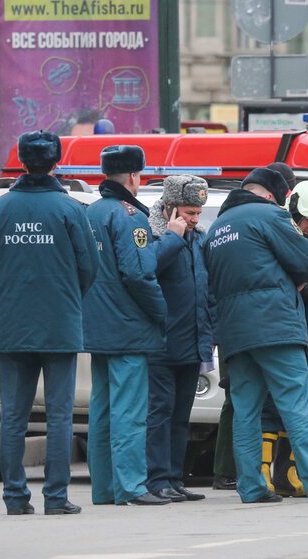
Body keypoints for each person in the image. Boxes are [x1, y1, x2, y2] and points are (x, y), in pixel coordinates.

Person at [203, 167, 308, 504]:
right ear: (274, 195)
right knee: (296, 403)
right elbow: (303, 258)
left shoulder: (215, 228)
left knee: (246, 411)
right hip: (275, 326)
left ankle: (252, 486)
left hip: (234, 332)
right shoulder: (271, 215)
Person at [0, 131, 98, 516]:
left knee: (13, 416)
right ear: (55, 164)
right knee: (60, 415)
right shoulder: (68, 209)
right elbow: (88, 268)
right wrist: (66, 297)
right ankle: (56, 496)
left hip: (13, 324)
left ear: (21, 162)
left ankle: (15, 497)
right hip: (60, 323)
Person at [84, 145, 180, 506]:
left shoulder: (90, 212)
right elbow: (139, 273)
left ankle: (105, 489)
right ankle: (132, 486)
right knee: (130, 412)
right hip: (129, 329)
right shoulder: (129, 216)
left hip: (97, 328)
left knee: (103, 411)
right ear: (133, 177)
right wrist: (160, 312)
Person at [260, 180, 308, 498]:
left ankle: (290, 474)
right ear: (294, 212)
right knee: (271, 408)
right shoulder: (279, 236)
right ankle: (262, 472)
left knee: (307, 407)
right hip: (283, 331)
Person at [145, 175, 214, 503]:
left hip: (191, 342)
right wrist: (172, 237)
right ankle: (156, 478)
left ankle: (174, 477)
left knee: (180, 415)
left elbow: (205, 289)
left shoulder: (198, 239)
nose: (194, 219)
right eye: (189, 212)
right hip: (161, 343)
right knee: (160, 412)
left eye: (198, 213)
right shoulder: (152, 234)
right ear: (171, 208)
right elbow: (148, 269)